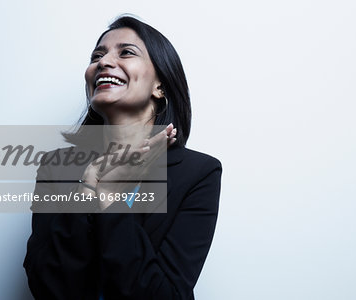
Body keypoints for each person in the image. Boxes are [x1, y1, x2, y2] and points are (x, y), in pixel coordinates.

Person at [23, 15, 222, 299]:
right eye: (97, 56)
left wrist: (108, 199)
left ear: (160, 87)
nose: (103, 62)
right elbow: (47, 285)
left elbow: (166, 294)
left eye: (126, 52)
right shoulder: (57, 167)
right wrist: (88, 189)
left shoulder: (199, 173)